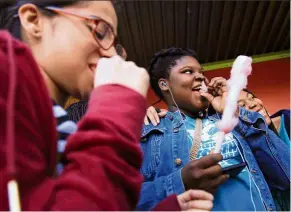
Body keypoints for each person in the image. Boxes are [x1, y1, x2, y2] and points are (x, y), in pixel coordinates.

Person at [0, 1, 214, 211]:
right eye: (100, 31)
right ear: (33, 20)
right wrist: (117, 107)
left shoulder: (52, 120)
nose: (111, 54)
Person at [137, 47, 290, 211]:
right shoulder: (149, 130)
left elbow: (285, 175)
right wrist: (180, 181)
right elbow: (122, 201)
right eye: (188, 71)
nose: (201, 76)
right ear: (164, 84)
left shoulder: (234, 120)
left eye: (201, 72)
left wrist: (233, 111)